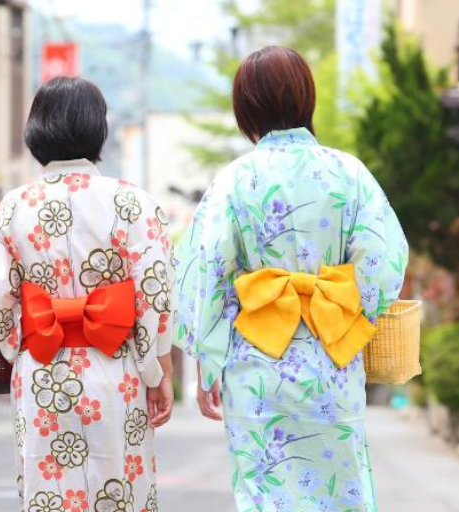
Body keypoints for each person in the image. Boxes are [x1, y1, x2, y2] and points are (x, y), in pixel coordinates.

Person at [174, 46, 408, 512]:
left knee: (265, 497)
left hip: (257, 365)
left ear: (245, 108)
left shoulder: (234, 180)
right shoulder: (349, 173)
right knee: (340, 494)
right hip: (332, 359)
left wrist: (207, 363)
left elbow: (206, 273)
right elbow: (384, 262)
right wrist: (351, 313)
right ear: (307, 97)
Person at [0, 76, 174, 512]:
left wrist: (18, 344)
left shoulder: (15, 205)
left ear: (36, 131)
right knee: (120, 491)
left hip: (43, 371)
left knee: (50, 495)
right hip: (116, 369)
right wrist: (156, 370)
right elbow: (154, 291)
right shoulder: (133, 203)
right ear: (98, 129)